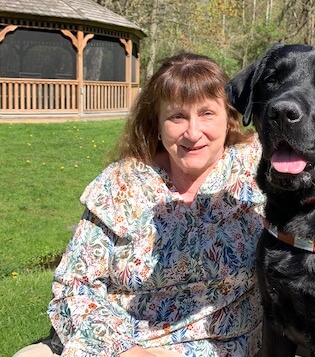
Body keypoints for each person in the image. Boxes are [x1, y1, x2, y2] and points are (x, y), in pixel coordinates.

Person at [14, 53, 265, 357]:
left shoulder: (258, 171)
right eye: (177, 117)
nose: (193, 132)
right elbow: (74, 285)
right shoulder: (122, 184)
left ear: (229, 119)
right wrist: (128, 351)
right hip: (115, 343)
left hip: (217, 345)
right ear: (157, 124)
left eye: (207, 114)